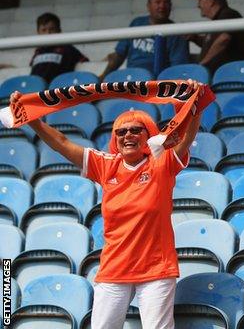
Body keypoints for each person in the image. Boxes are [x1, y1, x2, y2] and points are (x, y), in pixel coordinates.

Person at [10, 82, 206, 328]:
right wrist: (32, 119)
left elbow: (186, 135)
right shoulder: (106, 165)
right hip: (114, 269)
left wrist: (193, 103)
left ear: (148, 135)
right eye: (121, 132)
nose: (128, 136)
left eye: (136, 130)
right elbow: (61, 142)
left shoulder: (162, 162)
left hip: (156, 270)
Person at [99, 0, 189, 80]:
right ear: (148, 6)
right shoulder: (137, 23)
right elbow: (119, 55)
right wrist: (103, 77)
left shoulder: (177, 32)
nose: (162, 6)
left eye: (166, 3)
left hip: (157, 83)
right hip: (131, 78)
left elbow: (177, 68)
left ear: (170, 6)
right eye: (157, 2)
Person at [190, 0, 244, 74]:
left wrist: (202, 64)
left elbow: (223, 40)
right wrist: (194, 38)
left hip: (233, 75)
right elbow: (212, 42)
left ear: (210, 0)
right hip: (221, 75)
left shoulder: (229, 14)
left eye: (200, 0)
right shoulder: (218, 20)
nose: (198, 5)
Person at [30, 13, 89, 83]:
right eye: (44, 30)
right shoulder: (38, 51)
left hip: (59, 88)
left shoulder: (67, 48)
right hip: (35, 89)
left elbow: (87, 64)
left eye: (52, 29)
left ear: (59, 30)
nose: (48, 33)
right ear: (38, 32)